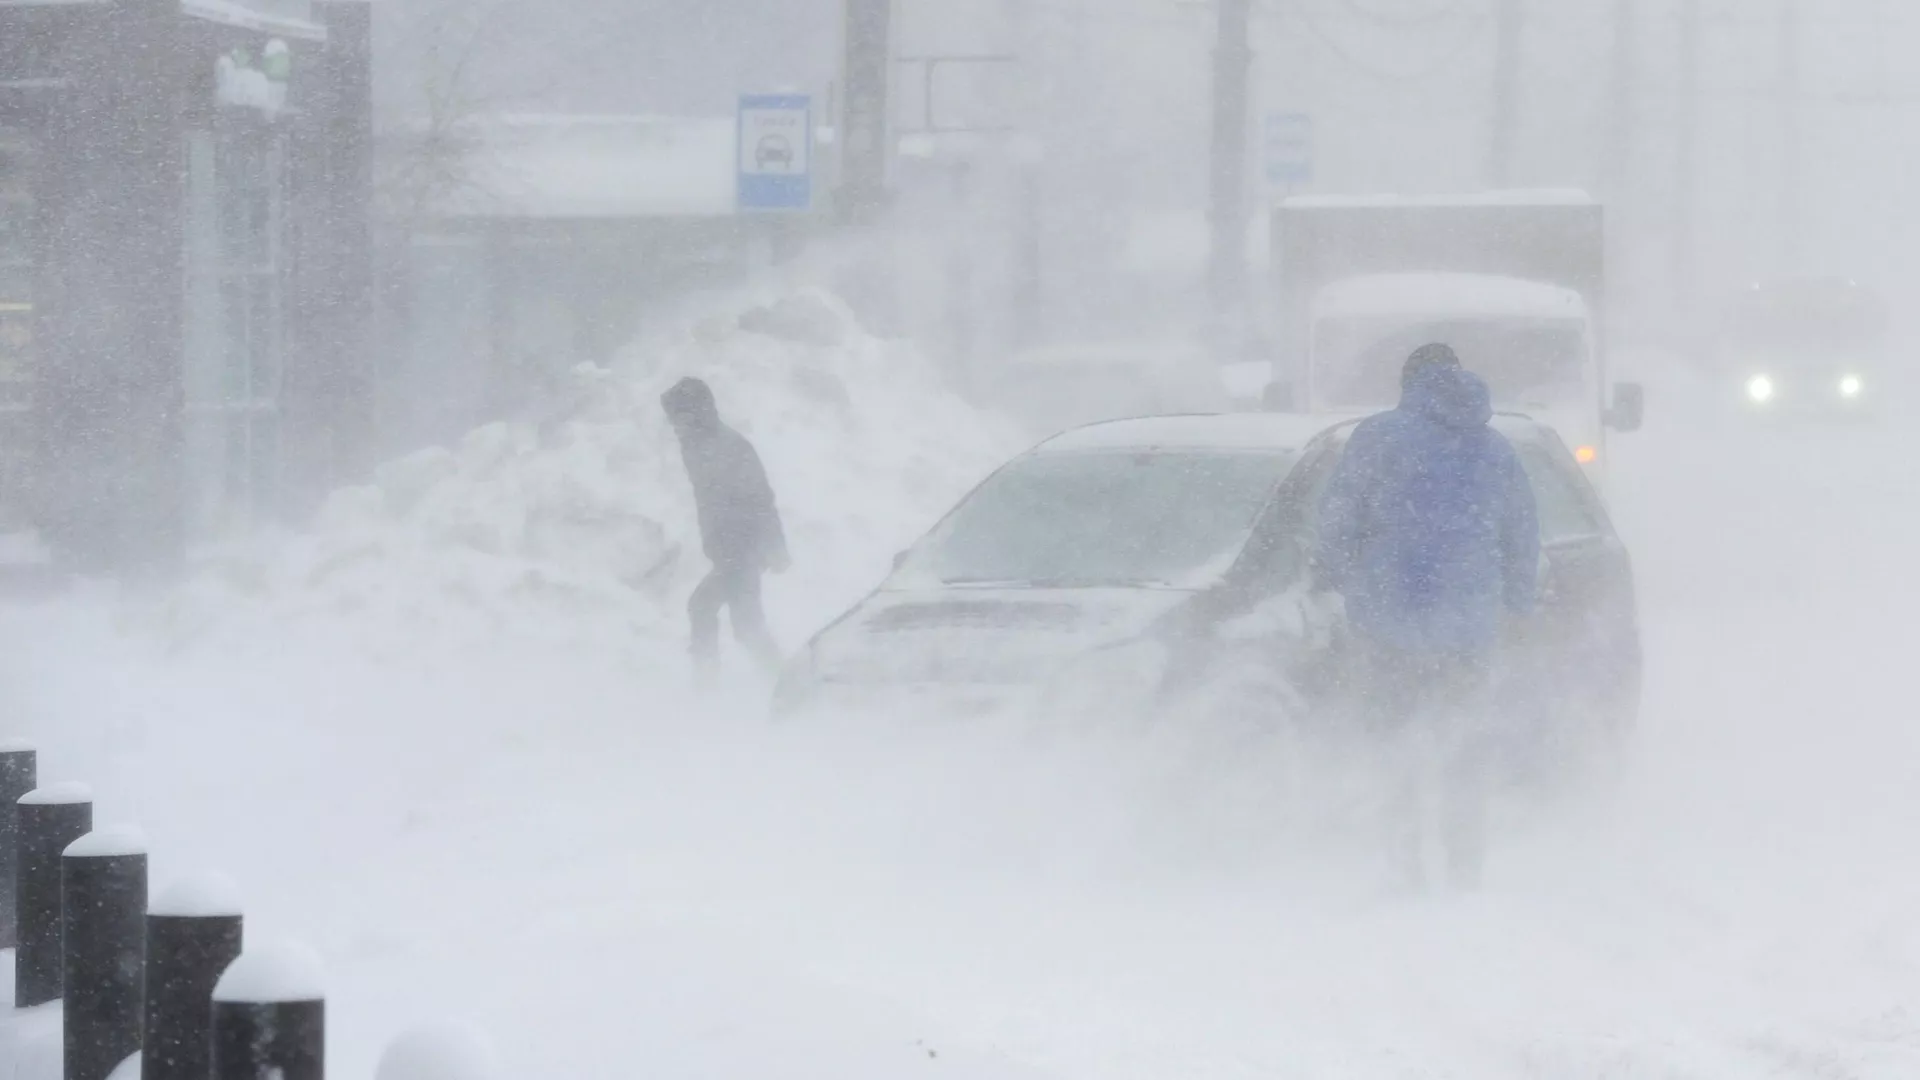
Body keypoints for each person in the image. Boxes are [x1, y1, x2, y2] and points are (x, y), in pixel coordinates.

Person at [1314, 343, 1540, 890]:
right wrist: (1515, 603)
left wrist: (1351, 581)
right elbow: (1522, 534)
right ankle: (1465, 867)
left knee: (1395, 745)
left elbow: (1337, 520)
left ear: (1408, 382)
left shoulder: (1378, 438)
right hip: (1468, 629)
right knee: (1464, 745)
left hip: (1389, 624)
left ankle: (1405, 867)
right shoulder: (1494, 448)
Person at [661, 377, 789, 679]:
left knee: (732, 620)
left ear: (699, 412)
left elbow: (761, 496)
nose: (676, 428)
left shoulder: (730, 446)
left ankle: (783, 683)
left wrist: (774, 546)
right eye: (673, 421)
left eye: (681, 418)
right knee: (734, 621)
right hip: (729, 550)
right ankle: (779, 680)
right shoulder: (695, 446)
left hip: (744, 548)